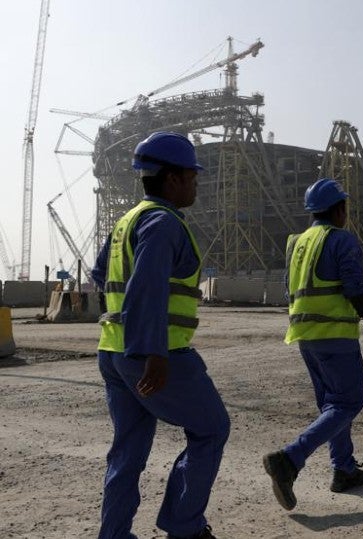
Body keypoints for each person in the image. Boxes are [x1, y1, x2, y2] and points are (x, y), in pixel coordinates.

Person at [92, 132, 230, 539]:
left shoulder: (126, 221)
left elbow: (102, 275)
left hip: (113, 351)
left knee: (128, 450)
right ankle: (184, 527)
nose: (196, 183)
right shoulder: (163, 222)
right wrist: (153, 351)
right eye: (192, 175)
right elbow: (149, 284)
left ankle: (113, 535)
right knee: (211, 428)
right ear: (172, 178)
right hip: (155, 352)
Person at [263, 178, 363, 510]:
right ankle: (290, 459)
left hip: (304, 335)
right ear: (339, 209)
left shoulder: (297, 243)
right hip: (335, 335)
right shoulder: (340, 240)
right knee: (348, 403)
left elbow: (288, 289)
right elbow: (355, 289)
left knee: (332, 405)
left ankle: (344, 468)